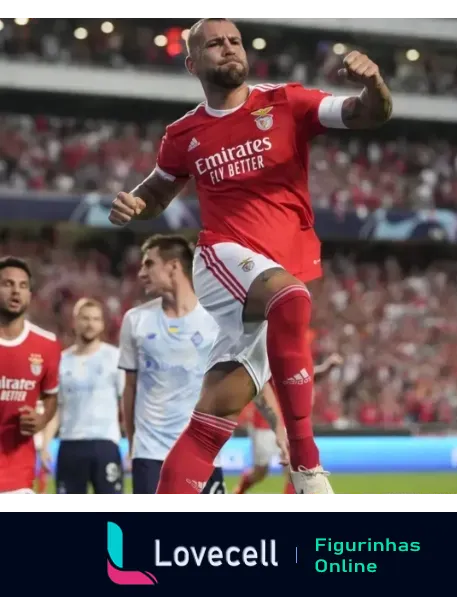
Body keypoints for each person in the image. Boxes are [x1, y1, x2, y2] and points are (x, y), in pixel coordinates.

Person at [108, 17, 392, 495]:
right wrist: (135, 204)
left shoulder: (287, 102)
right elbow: (157, 191)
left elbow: (369, 113)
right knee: (292, 299)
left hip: (273, 278)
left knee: (213, 417)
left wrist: (374, 84)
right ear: (193, 62)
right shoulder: (183, 134)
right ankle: (307, 467)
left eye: (234, 41)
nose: (228, 48)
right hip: (223, 259)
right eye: (214, 43)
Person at [118, 234, 287, 495]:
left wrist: (278, 426)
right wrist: (133, 445)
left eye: (148, 264)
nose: (141, 273)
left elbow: (251, 378)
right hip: (150, 455)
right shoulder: (135, 320)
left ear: (174, 266)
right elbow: (129, 389)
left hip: (203, 453)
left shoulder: (217, 319)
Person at [41, 298, 124, 495]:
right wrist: (44, 444)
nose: (90, 323)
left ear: (102, 324)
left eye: (96, 319)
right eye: (85, 318)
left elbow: (127, 403)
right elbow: (56, 408)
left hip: (105, 443)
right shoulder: (61, 361)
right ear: (75, 322)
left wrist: (134, 443)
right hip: (70, 444)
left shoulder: (115, 358)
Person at [235, 354, 344, 496]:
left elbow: (306, 376)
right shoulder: (266, 357)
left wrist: (327, 367)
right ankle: (239, 491)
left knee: (295, 468)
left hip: (288, 422)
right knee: (260, 471)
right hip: (263, 424)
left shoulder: (289, 356)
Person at [0, 257, 61, 495]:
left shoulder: (47, 345)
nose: (16, 291)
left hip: (19, 478)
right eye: (7, 284)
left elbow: (51, 396)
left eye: (23, 285)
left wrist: (42, 419)